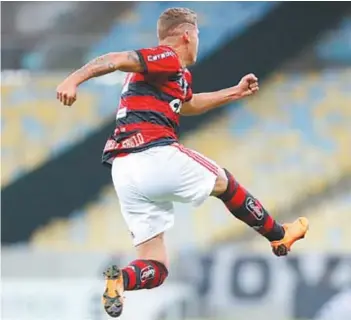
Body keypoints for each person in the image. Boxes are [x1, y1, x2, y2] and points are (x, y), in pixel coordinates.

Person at [56, 7, 309, 318]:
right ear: (187, 35)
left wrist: (235, 92)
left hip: (124, 171)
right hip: (152, 153)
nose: (199, 42)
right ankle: (278, 234)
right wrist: (73, 79)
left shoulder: (175, 75)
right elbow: (116, 58)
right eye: (199, 35)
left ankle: (120, 280)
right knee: (222, 182)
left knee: (157, 266)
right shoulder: (167, 58)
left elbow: (187, 104)